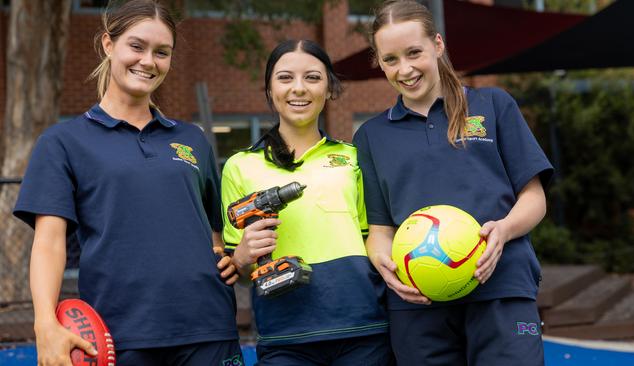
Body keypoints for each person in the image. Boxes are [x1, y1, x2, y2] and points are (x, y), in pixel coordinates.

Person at [14, 1, 243, 365]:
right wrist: (45, 323)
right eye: (137, 46)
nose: (148, 61)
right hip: (118, 333)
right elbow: (49, 242)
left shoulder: (192, 139)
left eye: (161, 52)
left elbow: (214, 231)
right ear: (109, 44)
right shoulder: (63, 142)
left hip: (209, 328)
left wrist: (227, 257)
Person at [352, 1, 554, 365]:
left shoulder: (492, 105)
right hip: (418, 301)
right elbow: (380, 229)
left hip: (501, 285)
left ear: (438, 45)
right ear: (380, 63)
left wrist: (504, 231)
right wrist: (383, 262)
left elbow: (534, 197)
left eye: (415, 53)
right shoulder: (370, 136)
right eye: (391, 59)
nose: (405, 69)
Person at [221, 39, 393, 366]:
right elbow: (237, 267)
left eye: (312, 77)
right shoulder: (239, 166)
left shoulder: (353, 158)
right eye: (285, 78)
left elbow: (374, 237)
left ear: (329, 88)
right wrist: (243, 255)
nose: (298, 88)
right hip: (285, 336)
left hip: (362, 328)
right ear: (269, 90)